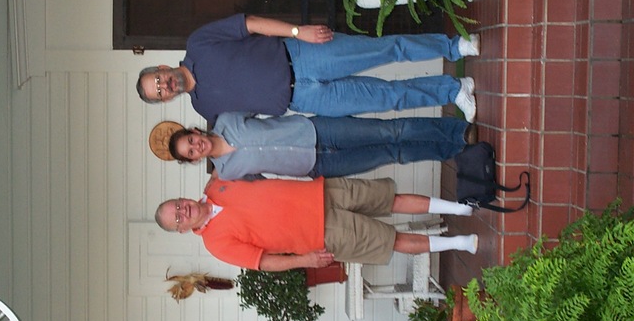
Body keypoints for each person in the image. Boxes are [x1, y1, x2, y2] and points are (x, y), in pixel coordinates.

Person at [136, 13, 479, 123]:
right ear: (165, 100)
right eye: (160, 92)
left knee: (386, 49)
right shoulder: (205, 110)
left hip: (301, 55)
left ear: (162, 67)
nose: (165, 85)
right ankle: (454, 90)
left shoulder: (198, 43)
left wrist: (298, 32)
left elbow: (249, 23)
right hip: (306, 100)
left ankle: (453, 46)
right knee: (389, 98)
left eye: (159, 79)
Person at [155, 176, 478, 272]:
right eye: (177, 218)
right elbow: (263, 262)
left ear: (181, 197)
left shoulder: (217, 182)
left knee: (389, 198)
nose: (183, 211)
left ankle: (460, 208)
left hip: (322, 191)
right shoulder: (215, 244)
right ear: (182, 230)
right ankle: (459, 243)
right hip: (322, 233)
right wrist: (305, 261)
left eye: (177, 205)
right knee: (390, 240)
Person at [148, 113, 476, 180]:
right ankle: (452, 150)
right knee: (393, 153)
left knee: (390, 130)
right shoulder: (228, 174)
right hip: (316, 167)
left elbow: (268, 100)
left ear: (194, 131)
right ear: (194, 160)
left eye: (191, 140)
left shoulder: (227, 119)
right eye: (191, 152)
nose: (197, 146)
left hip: (318, 130)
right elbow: (263, 188)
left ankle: (457, 131)